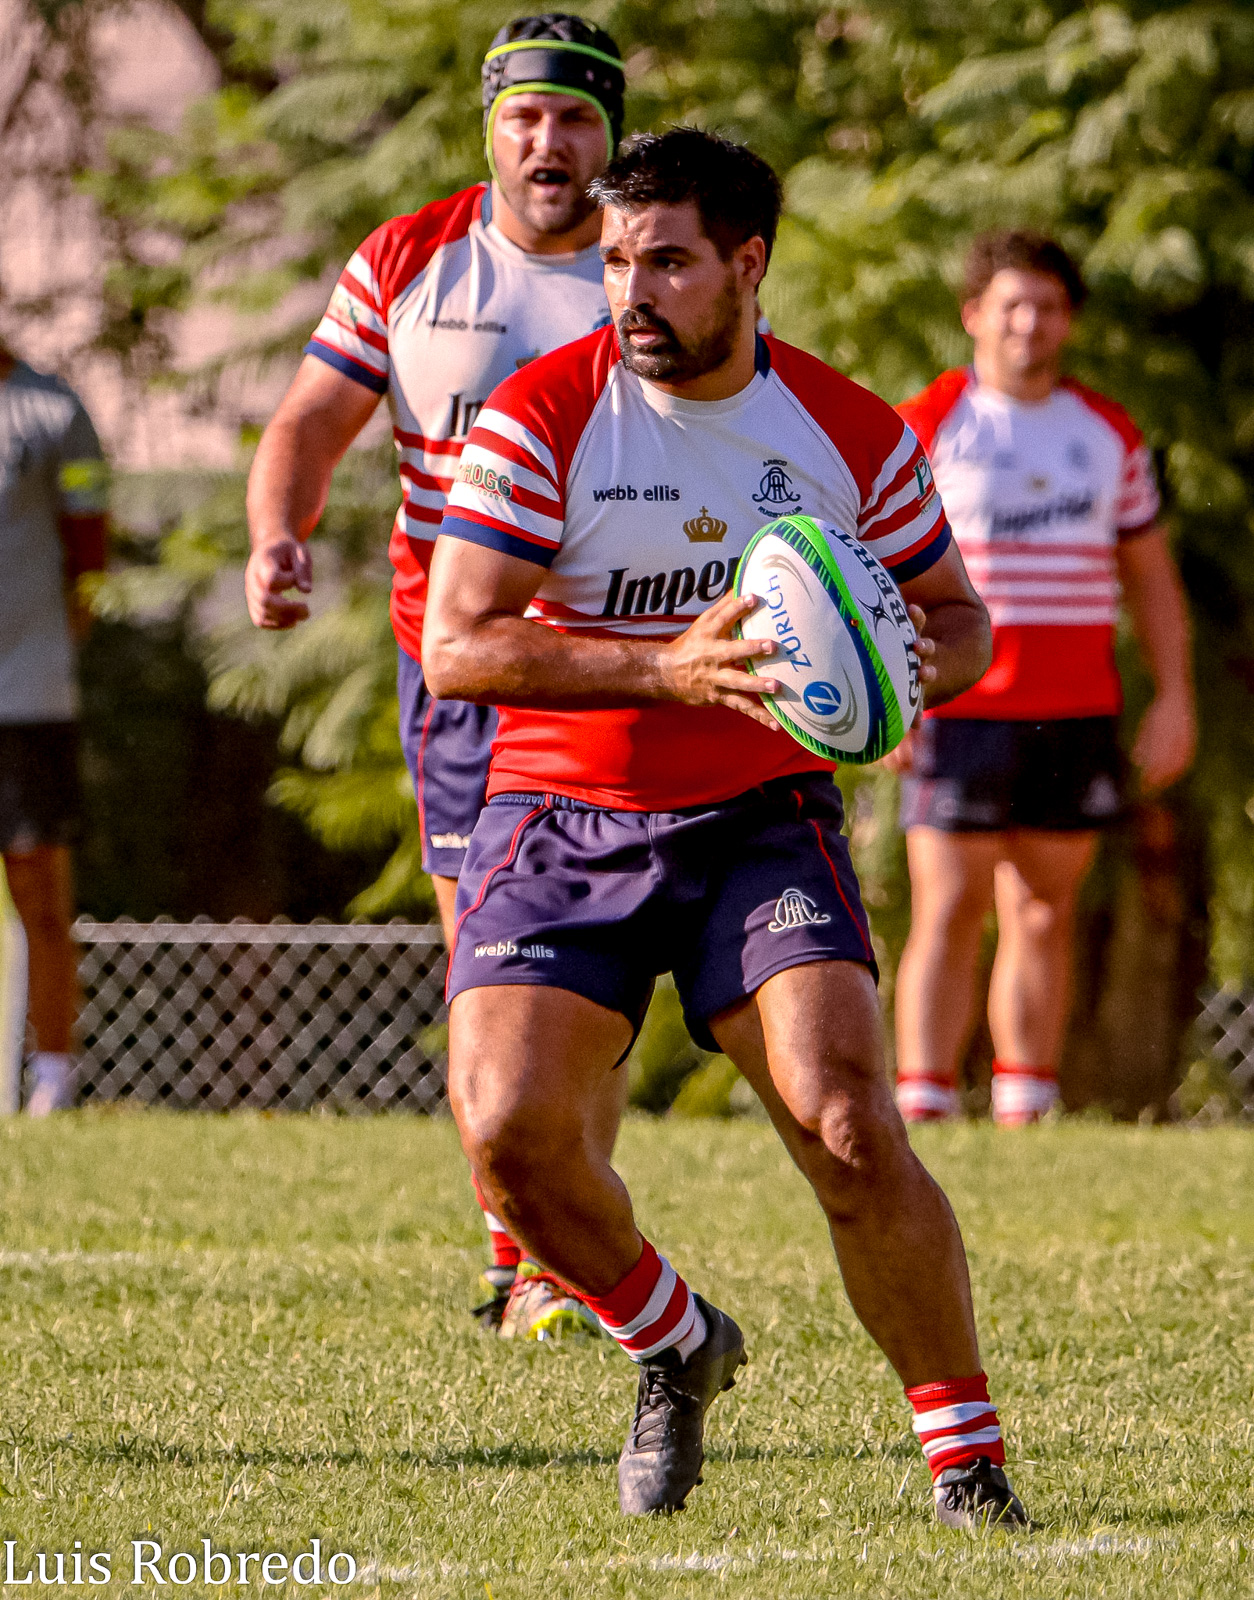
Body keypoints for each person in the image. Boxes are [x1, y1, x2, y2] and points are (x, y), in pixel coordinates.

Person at [423, 127, 1027, 1528]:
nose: (631, 293)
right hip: (559, 815)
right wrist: (659, 668)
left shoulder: (846, 432)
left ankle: (966, 1462)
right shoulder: (542, 414)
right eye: (616, 262)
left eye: (669, 263)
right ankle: (675, 1343)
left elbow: (959, 618)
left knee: (846, 1124)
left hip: (758, 818)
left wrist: (903, 664)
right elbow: (458, 646)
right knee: (507, 1137)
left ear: (746, 263)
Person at [244, 13, 634, 1341]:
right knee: (486, 951)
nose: (549, 143)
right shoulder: (410, 258)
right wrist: (277, 533)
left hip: (609, 657)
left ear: (611, 134)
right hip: (459, 666)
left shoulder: (652, 263)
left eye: (576, 118)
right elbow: (308, 418)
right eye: (526, 117)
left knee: (591, 959)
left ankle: (566, 1247)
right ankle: (526, 1250)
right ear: (490, 127)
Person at [891, 231, 1196, 1126]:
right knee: (948, 909)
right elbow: (879, 571)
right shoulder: (928, 423)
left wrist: (1175, 696)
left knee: (1043, 912)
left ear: (1069, 321)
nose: (1030, 323)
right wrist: (893, 695)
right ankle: (925, 1107)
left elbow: (1149, 575)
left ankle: (1027, 1104)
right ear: (974, 316)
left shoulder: (1107, 434)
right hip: (959, 703)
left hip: (1072, 710)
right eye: (1012, 304)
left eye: (1049, 306)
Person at [0, 338, 108, 1115]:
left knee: (40, 890)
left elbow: (91, 534)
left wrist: (71, 623)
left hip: (28, 693)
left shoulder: (52, 409)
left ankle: (53, 1078)